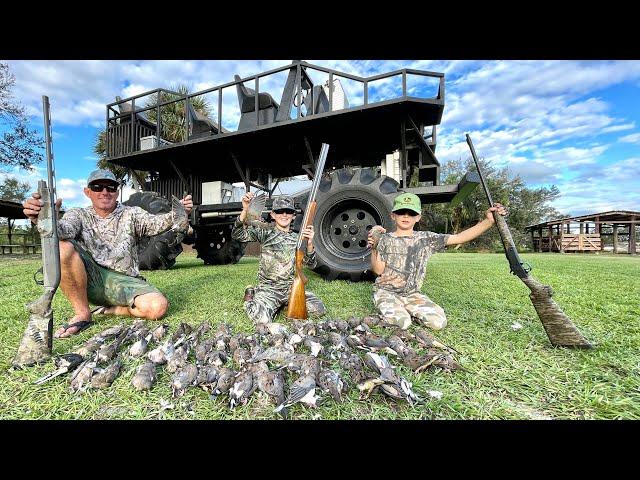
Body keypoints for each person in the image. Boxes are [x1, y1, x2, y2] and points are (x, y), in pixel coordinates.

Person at [22, 168, 193, 338]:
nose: (105, 192)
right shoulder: (78, 214)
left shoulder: (131, 213)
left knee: (158, 307)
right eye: (97, 187)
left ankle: (114, 310)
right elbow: (62, 231)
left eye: (110, 187)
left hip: (126, 281)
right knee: (62, 247)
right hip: (91, 279)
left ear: (117, 192)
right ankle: (83, 313)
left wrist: (179, 212)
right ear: (87, 192)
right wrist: (44, 219)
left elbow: (158, 222)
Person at [368, 192, 507, 330]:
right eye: (401, 212)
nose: (406, 216)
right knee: (402, 323)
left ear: (418, 217)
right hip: (387, 292)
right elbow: (378, 270)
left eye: (411, 213)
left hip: (412, 294)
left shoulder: (427, 239)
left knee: (438, 323)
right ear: (393, 215)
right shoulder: (385, 239)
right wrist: (374, 247)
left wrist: (488, 221)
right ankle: (395, 310)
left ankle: (409, 310)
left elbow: (459, 238)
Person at [231, 192, 326, 325]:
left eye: (288, 211)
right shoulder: (265, 232)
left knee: (318, 309)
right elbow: (237, 234)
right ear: (273, 215)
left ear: (293, 216)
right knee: (262, 320)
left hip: (290, 289)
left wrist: (309, 244)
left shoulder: (298, 238)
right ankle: (250, 297)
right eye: (280, 211)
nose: (284, 215)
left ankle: (283, 304)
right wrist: (245, 209)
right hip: (269, 290)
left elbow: (311, 264)